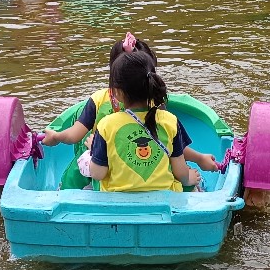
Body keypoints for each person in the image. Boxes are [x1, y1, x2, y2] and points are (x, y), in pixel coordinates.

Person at [44, 33, 218, 187]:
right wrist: (198, 160)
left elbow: (169, 143)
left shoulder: (106, 121)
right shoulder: (158, 111)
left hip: (109, 169)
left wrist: (58, 137)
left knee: (83, 160)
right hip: (123, 164)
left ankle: (66, 194)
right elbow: (173, 147)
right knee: (185, 180)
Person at [86, 50, 202, 192]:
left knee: (89, 187)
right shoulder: (170, 120)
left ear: (118, 92)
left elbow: (98, 174)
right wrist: (189, 179)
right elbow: (181, 172)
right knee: (196, 187)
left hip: (117, 201)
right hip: (164, 198)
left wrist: (93, 150)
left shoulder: (106, 125)